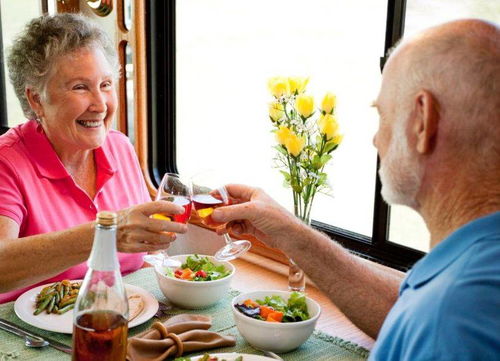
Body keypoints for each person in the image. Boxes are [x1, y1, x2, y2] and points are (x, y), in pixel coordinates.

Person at [212, 19, 500, 360]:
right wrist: (290, 232)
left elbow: (433, 320)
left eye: (383, 114)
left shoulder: (449, 318)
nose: (376, 139)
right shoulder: (473, 270)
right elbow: (405, 309)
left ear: (422, 121)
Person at [0, 14, 186, 303]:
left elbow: (148, 255)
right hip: (25, 334)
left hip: (117, 316)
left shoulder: (120, 147)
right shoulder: (7, 161)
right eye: (79, 87)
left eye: (106, 84)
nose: (100, 105)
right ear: (36, 99)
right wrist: (107, 232)